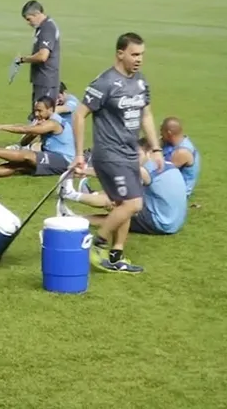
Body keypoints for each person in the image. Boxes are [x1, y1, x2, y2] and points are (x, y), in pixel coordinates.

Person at [70, 32, 164, 274]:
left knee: (124, 204)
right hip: (110, 155)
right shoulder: (105, 82)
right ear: (120, 53)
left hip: (130, 154)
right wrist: (79, 154)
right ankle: (96, 243)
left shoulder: (141, 82)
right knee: (134, 204)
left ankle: (116, 255)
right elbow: (79, 114)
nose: (139, 59)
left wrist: (155, 148)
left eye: (142, 54)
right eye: (134, 54)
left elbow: (146, 115)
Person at [58, 139, 188, 238]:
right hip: (173, 220)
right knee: (121, 195)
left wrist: (84, 171)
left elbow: (114, 174)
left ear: (148, 153)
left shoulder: (146, 170)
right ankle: (72, 213)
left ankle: (70, 199)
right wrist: (85, 172)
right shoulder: (166, 164)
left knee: (120, 208)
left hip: (161, 223)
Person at [0, 96, 74, 182]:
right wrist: (33, 132)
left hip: (64, 160)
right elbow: (24, 142)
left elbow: (24, 129)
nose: (36, 114)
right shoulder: (45, 121)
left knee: (27, 155)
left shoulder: (53, 123)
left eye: (40, 111)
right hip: (55, 157)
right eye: (35, 111)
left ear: (50, 110)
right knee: (19, 166)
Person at [15, 0, 61, 122]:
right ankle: (38, 141)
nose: (28, 23)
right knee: (38, 116)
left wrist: (23, 59)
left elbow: (43, 56)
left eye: (29, 19)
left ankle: (44, 141)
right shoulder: (43, 27)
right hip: (42, 79)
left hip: (46, 80)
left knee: (42, 117)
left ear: (36, 14)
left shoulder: (47, 28)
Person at [160, 117, 201, 197]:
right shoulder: (172, 142)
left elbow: (161, 174)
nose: (160, 134)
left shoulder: (182, 152)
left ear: (169, 133)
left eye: (162, 131)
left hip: (177, 194)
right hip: (169, 187)